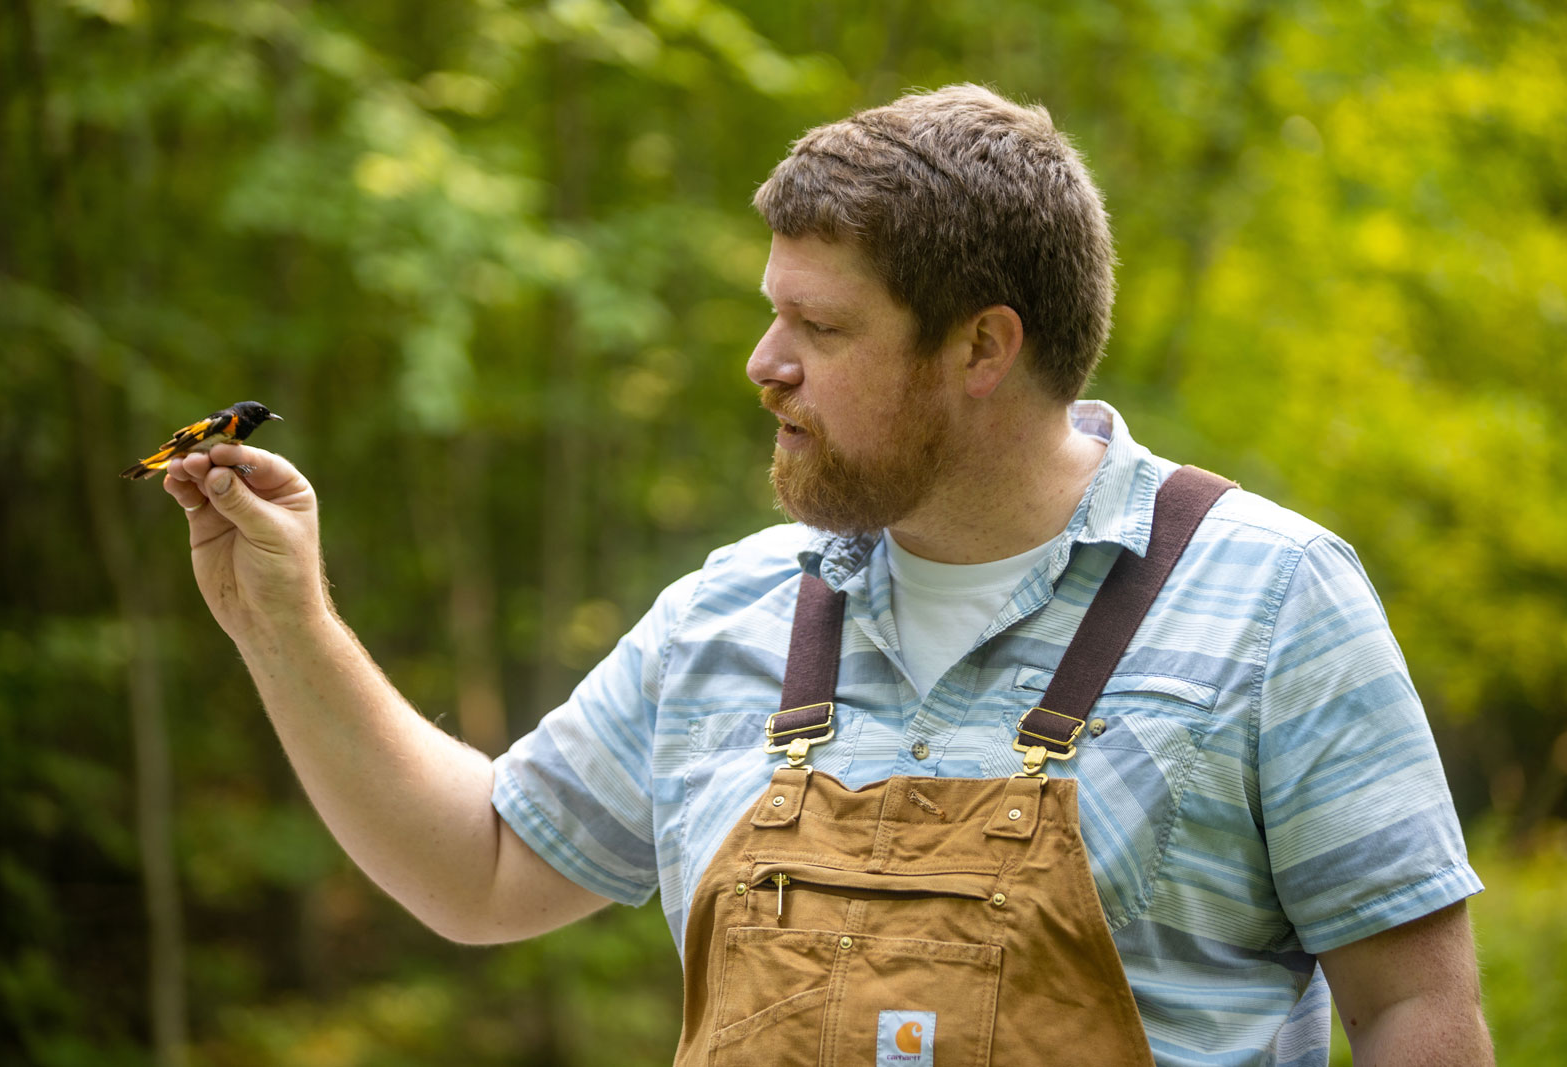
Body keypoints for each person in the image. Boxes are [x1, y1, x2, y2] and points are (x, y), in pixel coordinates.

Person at [164, 85, 1492, 1065]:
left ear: (983, 349)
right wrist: (283, 622)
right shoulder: (727, 614)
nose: (763, 361)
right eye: (772, 307)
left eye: (822, 325)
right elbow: (486, 868)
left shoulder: (1273, 601)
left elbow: (1416, 1009)